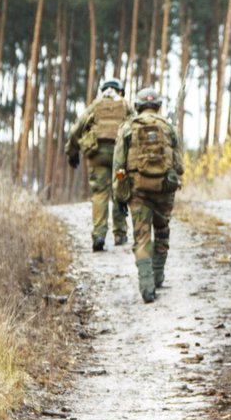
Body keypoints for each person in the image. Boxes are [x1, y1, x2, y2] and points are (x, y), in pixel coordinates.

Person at [114, 89, 182, 303]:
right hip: (164, 189)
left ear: (138, 106)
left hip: (138, 190)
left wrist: (120, 195)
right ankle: (158, 276)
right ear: (158, 106)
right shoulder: (168, 127)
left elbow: (118, 165)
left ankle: (147, 287)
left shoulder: (127, 128)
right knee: (162, 232)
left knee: (142, 239)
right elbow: (179, 165)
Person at [65, 78, 131, 252]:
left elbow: (75, 130)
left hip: (98, 157)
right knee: (119, 190)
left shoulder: (95, 106)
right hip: (120, 160)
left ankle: (99, 236)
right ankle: (120, 234)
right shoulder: (125, 105)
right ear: (120, 91)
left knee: (100, 193)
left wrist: (72, 153)